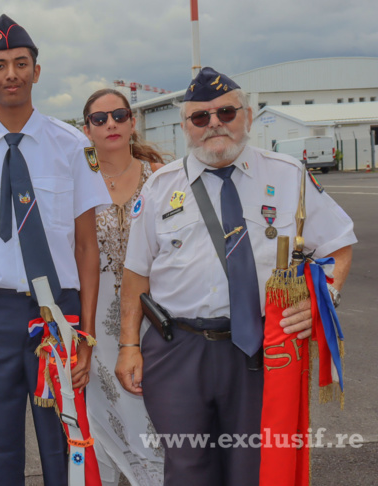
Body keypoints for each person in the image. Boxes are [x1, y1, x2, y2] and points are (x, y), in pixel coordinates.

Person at [115, 67, 356, 485]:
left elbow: (338, 245)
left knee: (253, 469)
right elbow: (136, 276)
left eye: (225, 112)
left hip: (259, 351)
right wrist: (129, 346)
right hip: (178, 351)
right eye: (200, 117)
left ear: (246, 114)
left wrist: (322, 299)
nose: (214, 124)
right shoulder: (159, 188)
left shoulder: (287, 176)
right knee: (187, 469)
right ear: (185, 126)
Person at [0, 14, 110, 485]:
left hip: (59, 315)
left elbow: (86, 248)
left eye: (20, 63)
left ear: (37, 71)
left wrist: (88, 337)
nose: (10, 73)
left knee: (65, 446)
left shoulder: (73, 147)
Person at [80, 89, 165, 485]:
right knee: (106, 410)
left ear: (132, 123)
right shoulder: (78, 183)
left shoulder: (161, 177)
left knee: (153, 409)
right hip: (96, 316)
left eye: (118, 115)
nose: (110, 123)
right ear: (88, 130)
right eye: (100, 119)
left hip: (154, 314)